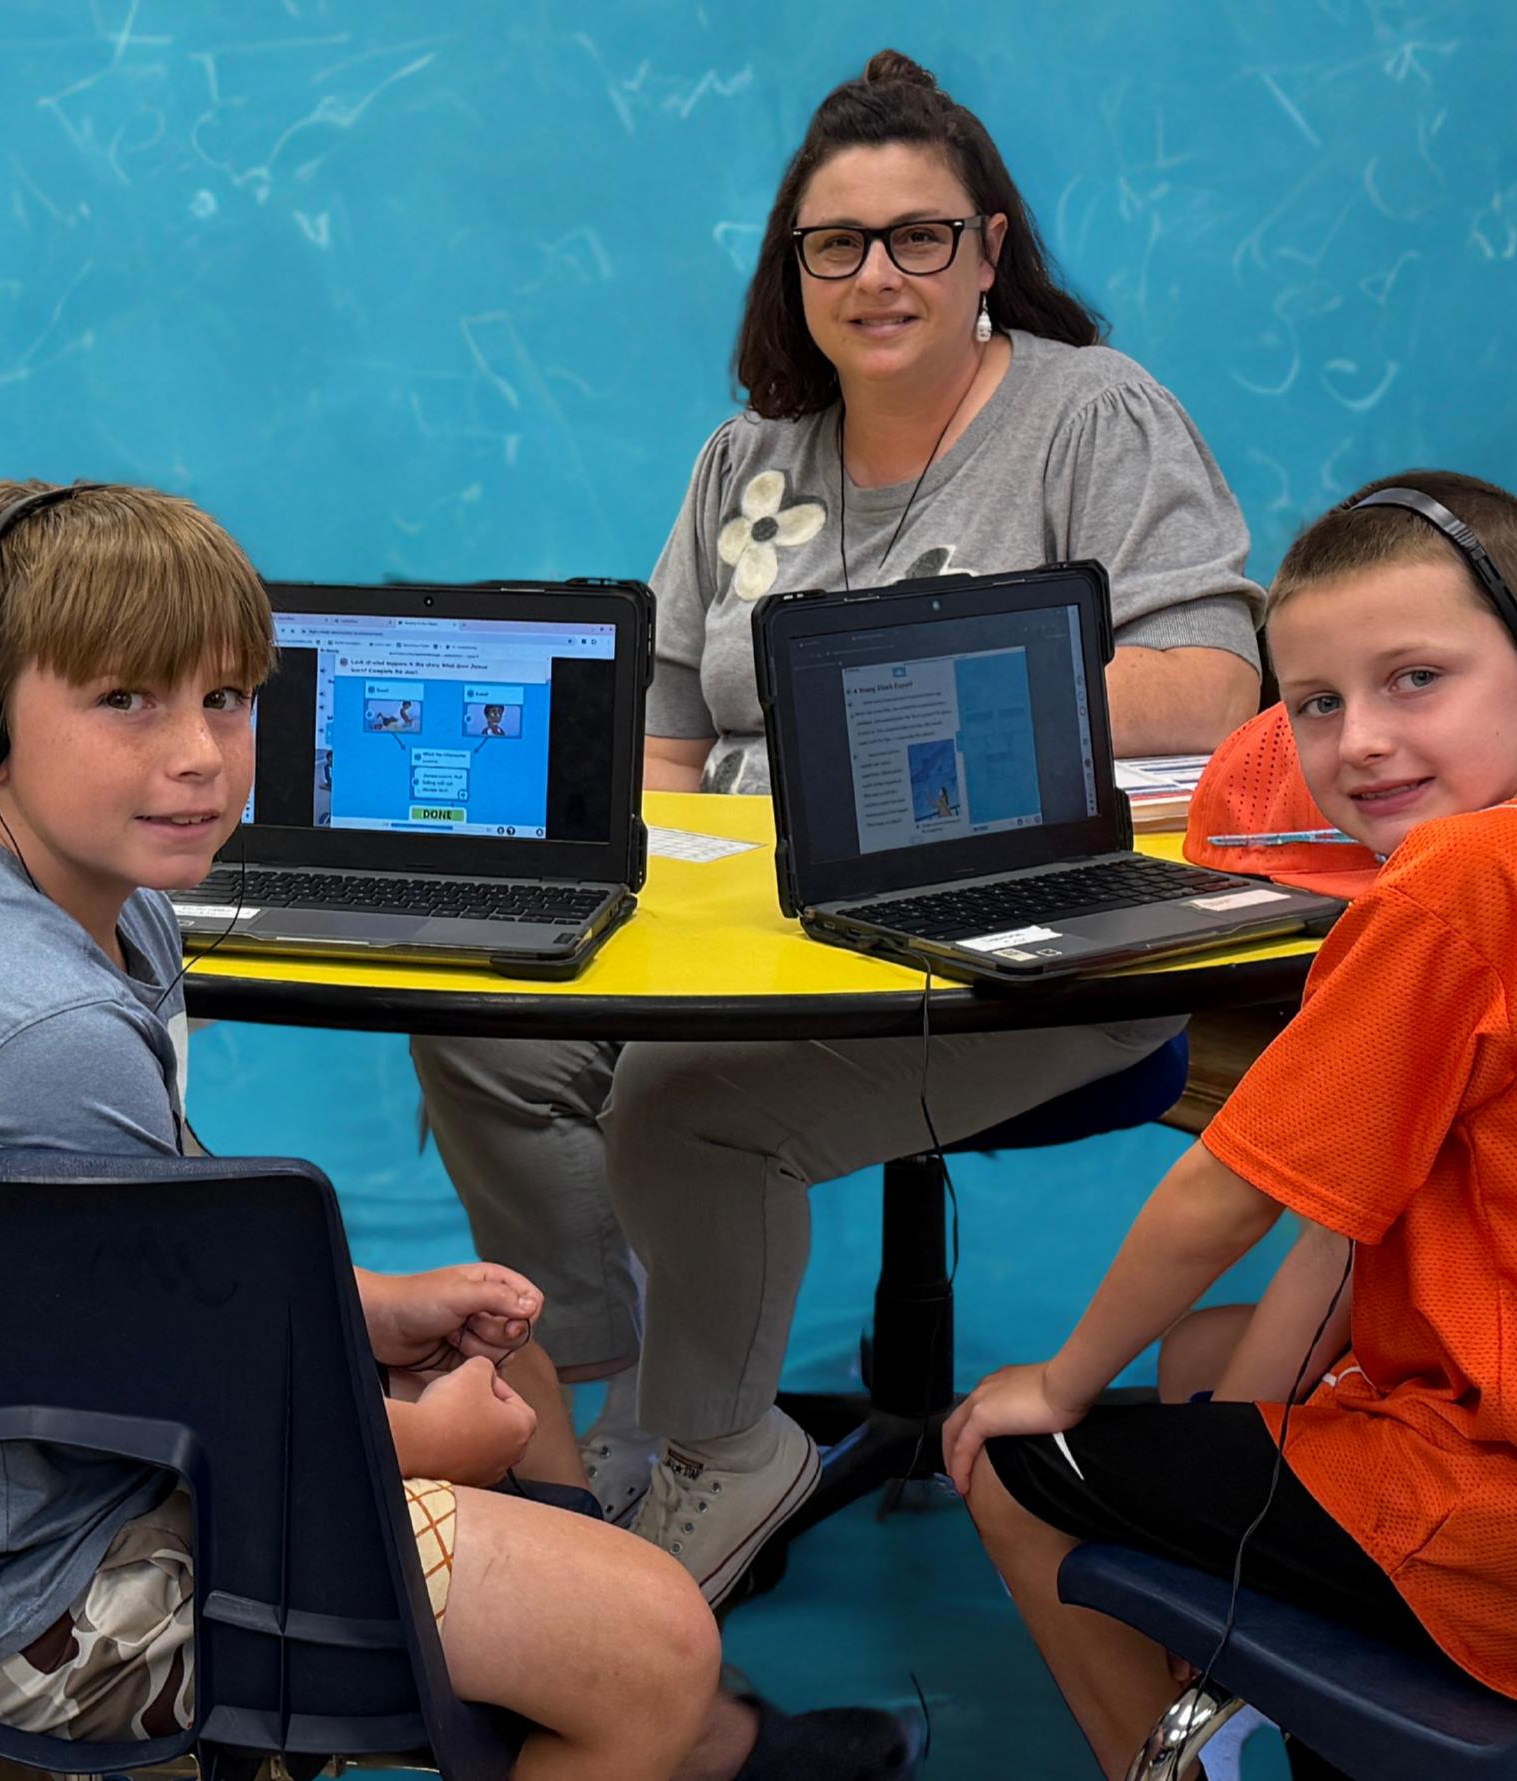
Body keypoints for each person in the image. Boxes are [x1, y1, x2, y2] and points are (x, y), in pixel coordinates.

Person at [0, 481, 914, 1781]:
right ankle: (653, 1710)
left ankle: (613, 1702)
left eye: (222, 696)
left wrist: (369, 1312)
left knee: (525, 1375)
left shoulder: (67, 901)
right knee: (658, 1632)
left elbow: (150, 1262)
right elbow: (175, 1397)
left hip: (26, 1477)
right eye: (123, 701)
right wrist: (421, 1444)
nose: (200, 753)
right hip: (45, 1595)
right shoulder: (40, 1024)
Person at [411, 47, 1265, 1599]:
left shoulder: (1095, 417)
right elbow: (664, 722)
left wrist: (933, 695)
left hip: (1016, 945)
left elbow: (1214, 691)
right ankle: (601, 1409)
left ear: (987, 249)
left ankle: (726, 1444)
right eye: (835, 243)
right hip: (742, 932)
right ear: (791, 266)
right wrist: (645, 924)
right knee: (482, 1026)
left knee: (677, 1103)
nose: (876, 273)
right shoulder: (744, 455)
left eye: (917, 234)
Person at [941, 472, 1517, 1778]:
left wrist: (1056, 1385)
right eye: (1312, 703)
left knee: (1005, 1460)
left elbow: (1221, 1195)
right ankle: (1266, 1696)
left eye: (1414, 679)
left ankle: (1175, 1756)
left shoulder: (1454, 887)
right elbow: (1344, 1231)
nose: (1356, 740)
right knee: (1208, 1354)